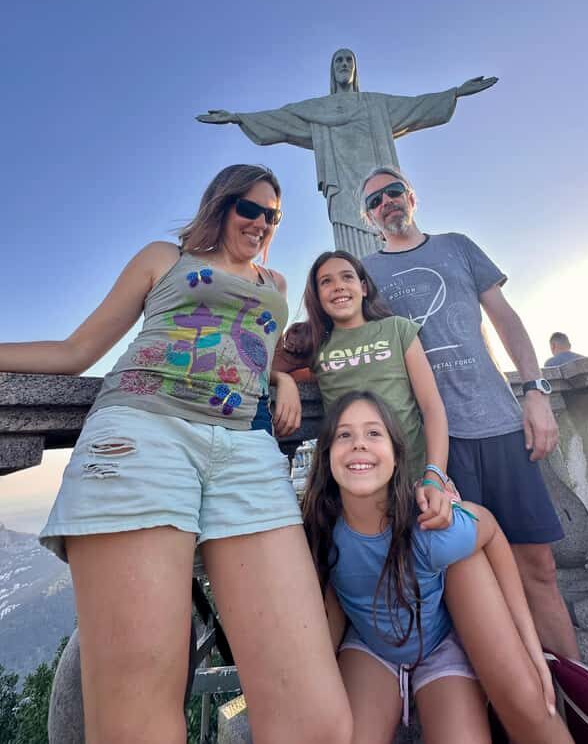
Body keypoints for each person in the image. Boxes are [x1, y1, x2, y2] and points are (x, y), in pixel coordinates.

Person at [0, 164, 351, 744]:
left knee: (318, 721)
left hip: (245, 450)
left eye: (274, 216)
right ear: (221, 204)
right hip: (142, 433)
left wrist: (283, 379)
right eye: (251, 209)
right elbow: (76, 349)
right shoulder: (165, 258)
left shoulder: (278, 285)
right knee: (137, 719)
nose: (263, 223)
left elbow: (251, 351)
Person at [359, 166, 580, 660]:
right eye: (375, 201)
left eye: (394, 192)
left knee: (539, 568)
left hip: (500, 425)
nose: (387, 203)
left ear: (411, 196)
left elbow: (505, 317)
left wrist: (536, 391)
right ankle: (513, 701)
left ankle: (579, 707)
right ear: (369, 218)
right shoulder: (366, 272)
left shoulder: (457, 245)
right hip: (437, 445)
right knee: (469, 579)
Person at [303, 390, 575, 744]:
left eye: (374, 433)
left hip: (439, 648)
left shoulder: (428, 525)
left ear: (397, 457)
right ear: (326, 456)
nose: (359, 444)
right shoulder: (322, 527)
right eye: (344, 435)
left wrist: (528, 644)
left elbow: (489, 528)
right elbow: (328, 596)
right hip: (371, 649)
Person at [197, 48, 497, 256]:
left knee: (389, 229)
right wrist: (238, 117)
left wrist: (455, 93)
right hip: (342, 190)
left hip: (379, 186)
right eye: (338, 61)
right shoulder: (317, 110)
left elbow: (416, 106)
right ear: (332, 70)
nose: (343, 65)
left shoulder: (375, 104)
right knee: (355, 255)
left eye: (348, 61)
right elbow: (282, 119)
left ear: (355, 69)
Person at [277, 249, 452, 528]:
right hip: (356, 487)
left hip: (415, 481)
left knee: (448, 553)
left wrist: (435, 475)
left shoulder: (397, 329)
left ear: (364, 287)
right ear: (317, 295)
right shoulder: (315, 344)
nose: (338, 286)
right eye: (326, 281)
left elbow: (432, 408)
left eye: (347, 277)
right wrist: (284, 381)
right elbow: (258, 369)